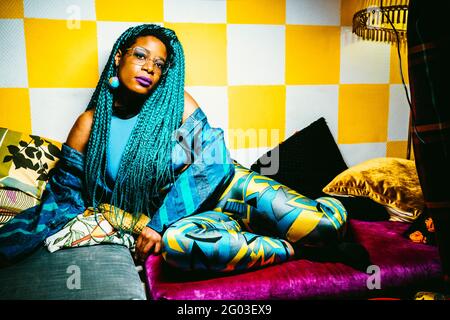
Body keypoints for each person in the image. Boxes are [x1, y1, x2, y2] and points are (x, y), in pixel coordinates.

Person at [1, 24, 366, 271]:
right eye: (141, 56)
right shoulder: (90, 124)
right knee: (178, 248)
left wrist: (157, 224)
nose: (150, 69)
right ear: (118, 57)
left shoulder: (175, 105)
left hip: (228, 189)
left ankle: (333, 207)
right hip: (190, 220)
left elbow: (213, 161)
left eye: (159, 64)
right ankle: (292, 247)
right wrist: (17, 237)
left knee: (324, 228)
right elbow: (64, 192)